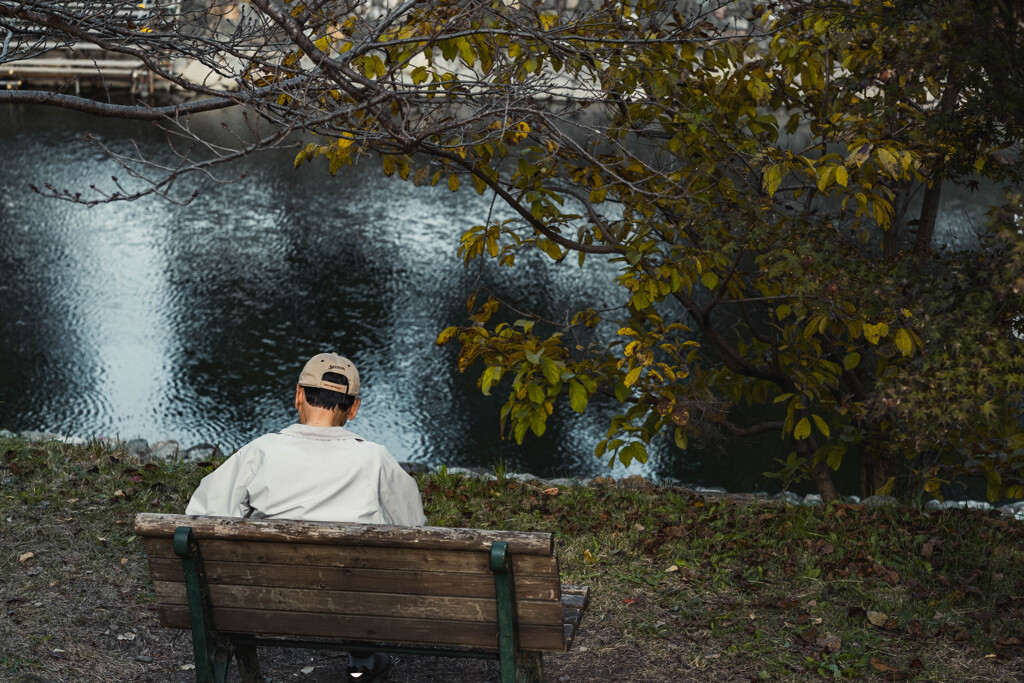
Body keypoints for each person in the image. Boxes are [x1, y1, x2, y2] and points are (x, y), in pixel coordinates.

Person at [186, 352, 425, 681]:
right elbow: (414, 531)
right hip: (353, 600)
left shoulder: (260, 452)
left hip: (266, 599)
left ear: (298, 395)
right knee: (364, 568)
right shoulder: (375, 459)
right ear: (354, 408)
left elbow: (200, 516)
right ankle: (361, 658)